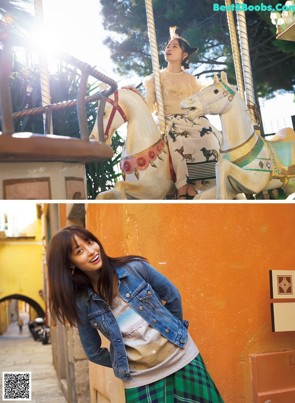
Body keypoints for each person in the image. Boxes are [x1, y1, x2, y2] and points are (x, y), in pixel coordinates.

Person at [47, 225, 224, 403]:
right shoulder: (83, 303)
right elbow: (93, 351)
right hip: (141, 379)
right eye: (79, 251)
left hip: (181, 358)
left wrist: (173, 334)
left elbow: (172, 296)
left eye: (90, 242)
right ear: (70, 263)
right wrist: (124, 362)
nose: (91, 251)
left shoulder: (135, 268)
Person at [144, 27, 221, 199]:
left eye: (174, 46)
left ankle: (202, 181)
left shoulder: (191, 80)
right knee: (176, 140)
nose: (168, 49)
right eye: (168, 46)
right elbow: (149, 106)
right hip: (168, 121)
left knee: (208, 136)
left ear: (184, 55)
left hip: (190, 120)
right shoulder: (155, 79)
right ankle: (183, 186)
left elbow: (197, 105)